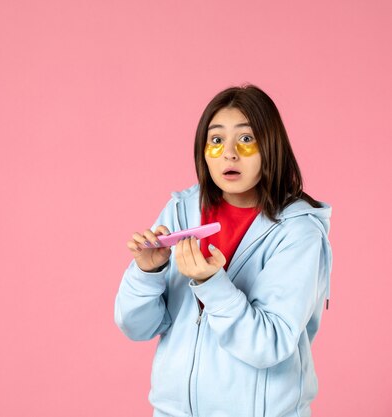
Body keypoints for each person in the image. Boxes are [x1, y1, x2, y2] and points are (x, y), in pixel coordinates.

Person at [114, 85, 332, 417]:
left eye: (246, 139)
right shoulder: (181, 210)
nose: (229, 153)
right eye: (216, 141)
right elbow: (137, 327)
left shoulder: (297, 232)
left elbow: (268, 344)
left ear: (271, 147)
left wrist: (212, 283)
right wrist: (147, 273)